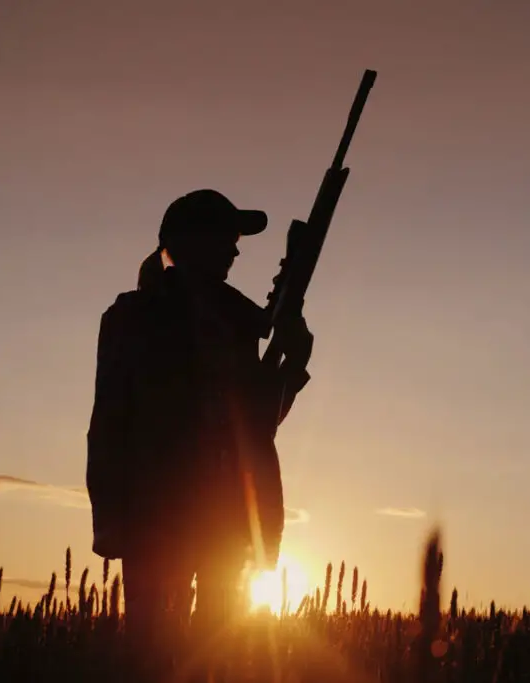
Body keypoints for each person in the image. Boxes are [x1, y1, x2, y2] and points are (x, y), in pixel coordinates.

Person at [85, 189, 314, 677]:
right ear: (190, 243)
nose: (235, 252)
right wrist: (109, 517)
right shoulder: (133, 317)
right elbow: (108, 423)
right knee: (149, 657)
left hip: (225, 520)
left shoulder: (236, 325)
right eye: (226, 239)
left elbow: (256, 424)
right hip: (156, 518)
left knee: (217, 659)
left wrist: (294, 361)